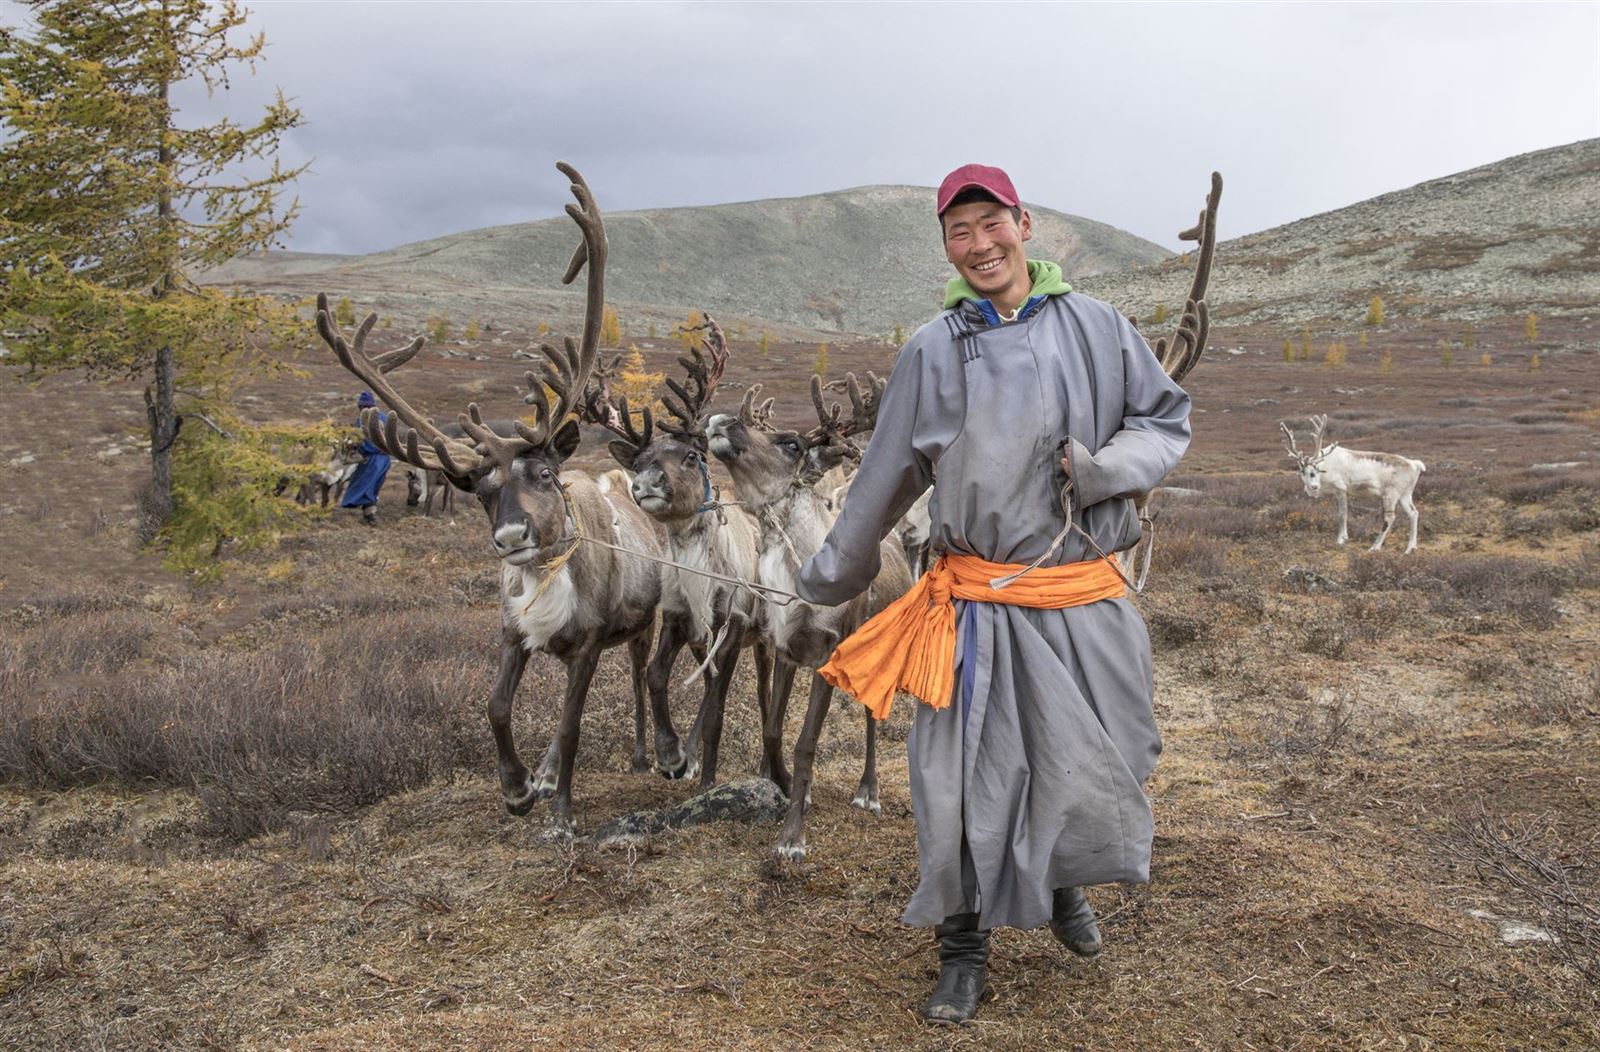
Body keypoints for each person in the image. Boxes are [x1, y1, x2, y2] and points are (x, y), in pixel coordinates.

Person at [796, 163, 1191, 1025]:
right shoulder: (932, 350)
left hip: (1085, 597)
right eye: (958, 233)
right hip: (973, 604)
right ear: (946, 246)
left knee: (1099, 758)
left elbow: (1165, 422)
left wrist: (1102, 471)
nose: (979, 245)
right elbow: (883, 479)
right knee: (959, 781)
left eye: (991, 224)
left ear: (1025, 223)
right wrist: (827, 577)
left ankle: (1058, 888)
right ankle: (963, 947)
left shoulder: (1101, 328)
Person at [340, 390, 391, 526]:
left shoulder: (363, 421)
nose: (361, 409)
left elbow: (360, 441)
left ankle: (369, 513)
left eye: (362, 407)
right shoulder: (384, 417)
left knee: (366, 483)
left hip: (373, 459)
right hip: (384, 458)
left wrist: (355, 448)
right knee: (372, 485)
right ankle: (369, 513)